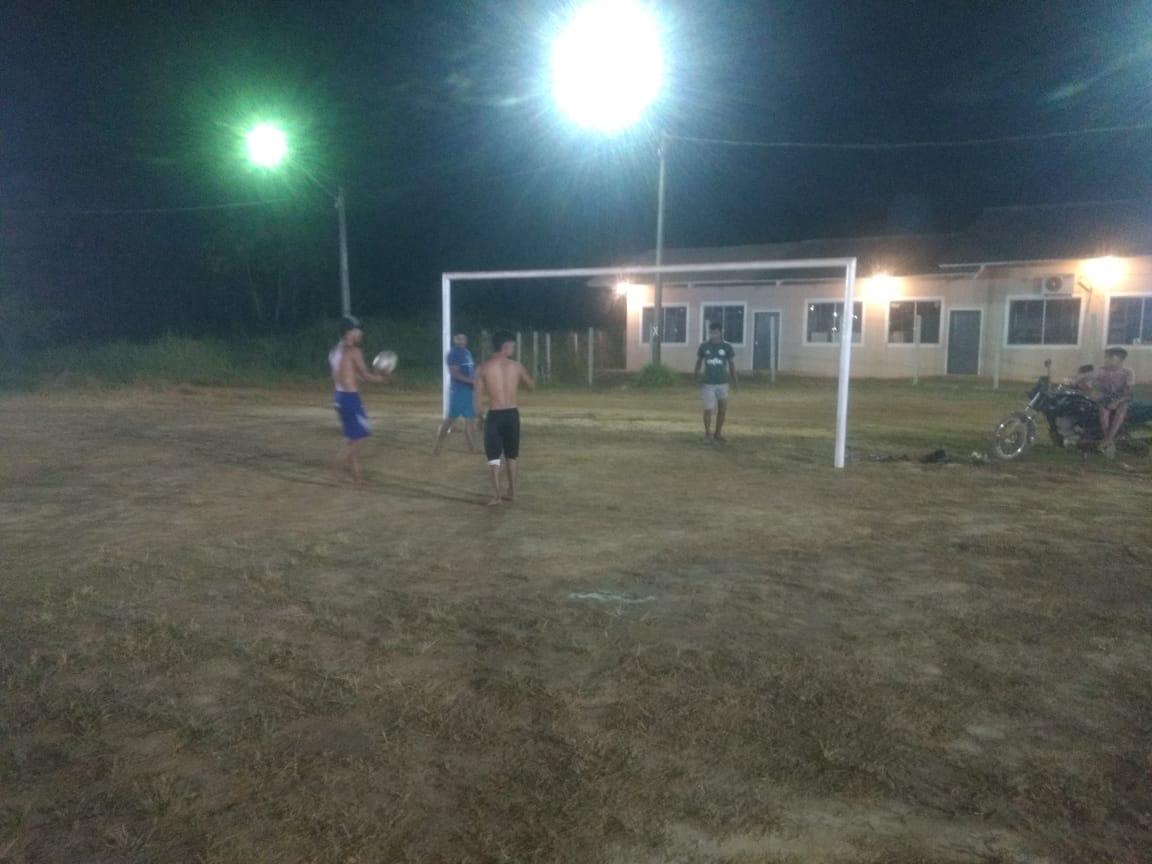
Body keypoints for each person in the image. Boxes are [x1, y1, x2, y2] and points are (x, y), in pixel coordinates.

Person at [473, 330, 534, 505]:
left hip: (495, 415)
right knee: (511, 456)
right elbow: (531, 386)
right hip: (512, 414)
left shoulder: (483, 368)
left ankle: (497, 496)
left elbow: (477, 397)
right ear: (505, 346)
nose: (513, 348)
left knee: (493, 457)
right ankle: (513, 492)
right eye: (513, 345)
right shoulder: (516, 366)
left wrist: (479, 417)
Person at [329, 315, 390, 483]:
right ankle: (337, 468)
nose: (360, 333)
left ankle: (356, 476)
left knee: (352, 437)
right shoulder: (354, 351)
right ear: (349, 332)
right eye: (358, 330)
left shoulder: (335, 351)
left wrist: (373, 377)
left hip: (338, 396)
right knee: (362, 435)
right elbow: (365, 375)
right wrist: (382, 379)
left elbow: (349, 374)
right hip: (350, 398)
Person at [434, 331, 478, 455]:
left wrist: (474, 381)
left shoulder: (467, 352)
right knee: (450, 419)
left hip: (468, 390)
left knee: (470, 419)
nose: (461, 341)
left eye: (463, 338)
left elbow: (470, 370)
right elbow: (454, 373)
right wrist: (471, 380)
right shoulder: (453, 354)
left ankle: (472, 448)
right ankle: (438, 446)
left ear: (466, 339)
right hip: (458, 390)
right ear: (454, 340)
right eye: (458, 338)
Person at [694, 322, 737, 442]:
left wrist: (734, 379)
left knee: (722, 409)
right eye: (712, 332)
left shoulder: (727, 346)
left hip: (723, 382)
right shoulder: (704, 346)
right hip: (708, 383)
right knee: (708, 409)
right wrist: (696, 374)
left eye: (716, 332)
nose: (714, 335)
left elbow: (731, 364)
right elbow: (699, 361)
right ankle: (708, 434)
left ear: (720, 332)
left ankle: (718, 433)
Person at [1091, 346, 1134, 458]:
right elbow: (1092, 381)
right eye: (1106, 357)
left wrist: (1117, 402)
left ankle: (1108, 440)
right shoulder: (1100, 370)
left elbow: (1128, 393)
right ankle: (1108, 440)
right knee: (1103, 410)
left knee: (1121, 409)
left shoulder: (1127, 373)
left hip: (1122, 399)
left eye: (1110, 358)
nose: (1107, 360)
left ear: (1120, 360)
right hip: (1105, 399)